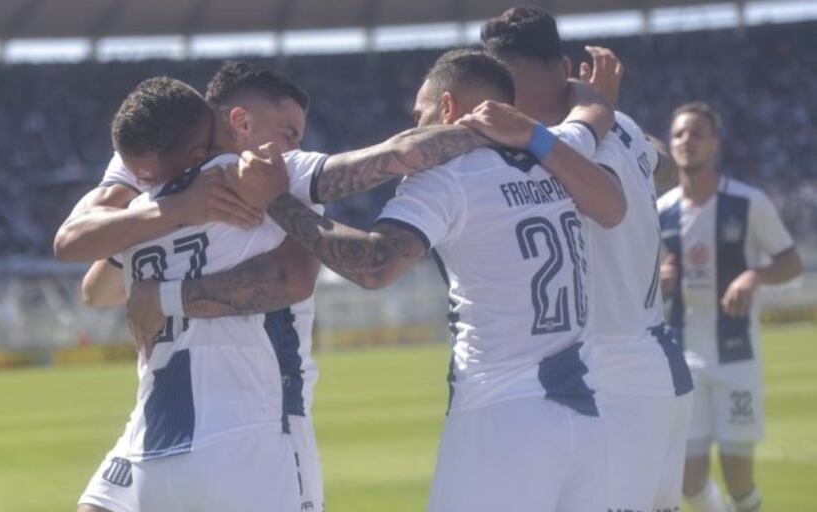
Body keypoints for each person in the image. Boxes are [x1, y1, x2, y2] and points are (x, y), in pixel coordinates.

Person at [71, 65, 511, 512]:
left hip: (152, 444)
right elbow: (400, 154)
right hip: (255, 438)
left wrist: (156, 292)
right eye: (289, 133)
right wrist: (498, 132)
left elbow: (94, 288)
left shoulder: (144, 206)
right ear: (241, 123)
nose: (294, 146)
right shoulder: (267, 172)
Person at [223, 48, 626, 512]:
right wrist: (582, 88)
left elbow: (376, 265)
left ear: (449, 108)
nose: (415, 125)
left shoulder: (448, 177)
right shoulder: (553, 153)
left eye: (421, 113)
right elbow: (595, 117)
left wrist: (276, 199)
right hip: (587, 414)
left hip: (502, 414)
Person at [481, 6, 694, 512]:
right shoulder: (618, 127)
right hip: (650, 368)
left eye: (510, 85)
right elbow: (662, 163)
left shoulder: (553, 151)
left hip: (618, 377)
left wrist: (588, 114)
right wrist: (600, 106)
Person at [658, 101, 803, 512]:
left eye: (697, 133)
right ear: (671, 144)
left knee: (740, 485)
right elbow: (645, 282)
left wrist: (753, 275)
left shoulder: (748, 202)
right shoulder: (660, 211)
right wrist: (659, 283)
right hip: (683, 358)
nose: (688, 140)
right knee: (688, 482)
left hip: (737, 355)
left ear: (715, 144)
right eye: (680, 134)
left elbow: (791, 262)